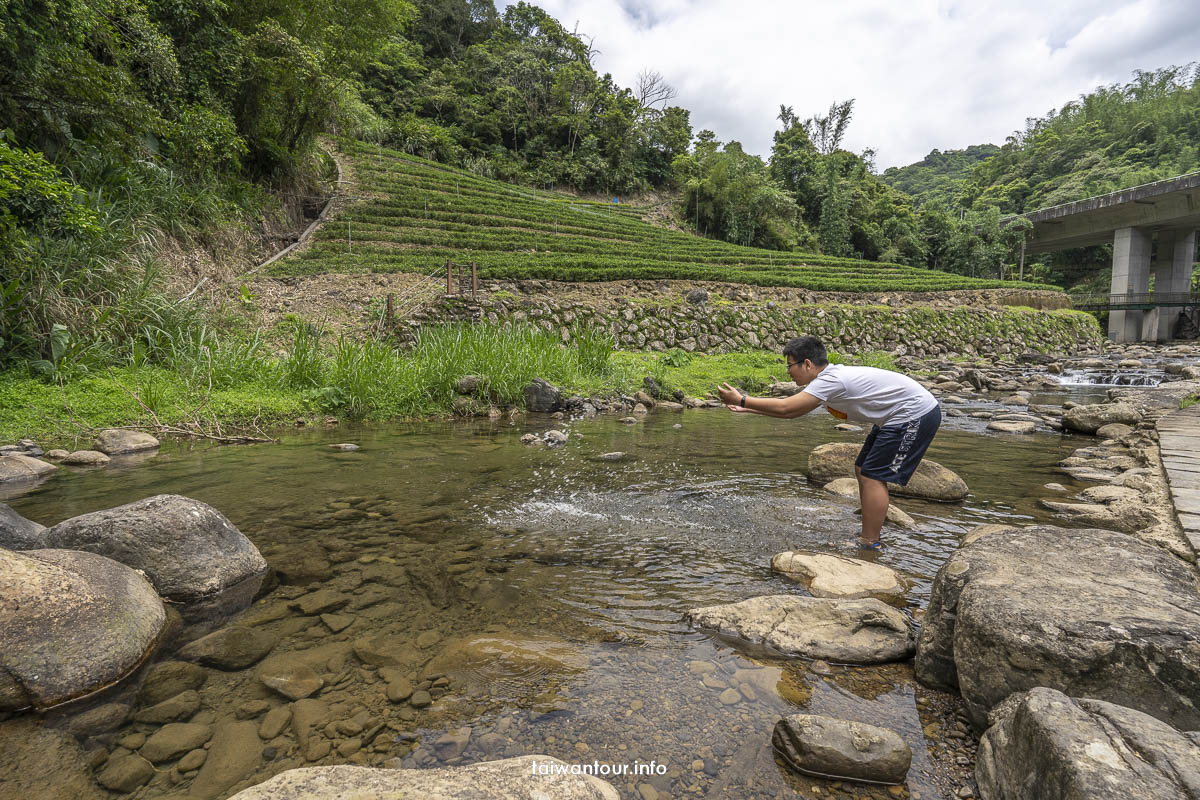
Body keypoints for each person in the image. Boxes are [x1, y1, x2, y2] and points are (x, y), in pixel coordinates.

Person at [716, 335, 941, 550]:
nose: (788, 372)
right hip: (897, 415)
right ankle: (869, 533)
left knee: (873, 476)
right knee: (863, 469)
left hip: (913, 414)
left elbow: (787, 407)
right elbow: (792, 414)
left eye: (790, 366)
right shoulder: (827, 380)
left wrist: (743, 399)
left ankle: (870, 542)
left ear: (807, 364)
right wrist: (749, 409)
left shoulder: (831, 379)